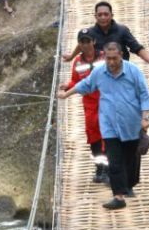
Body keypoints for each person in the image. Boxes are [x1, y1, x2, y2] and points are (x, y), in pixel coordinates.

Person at [57, 42, 149, 210]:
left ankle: (128, 185)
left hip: (131, 123)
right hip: (109, 124)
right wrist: (66, 94)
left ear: (121, 55)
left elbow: (144, 94)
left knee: (130, 158)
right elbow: (85, 85)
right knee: (114, 160)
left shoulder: (133, 71)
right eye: (108, 58)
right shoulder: (100, 72)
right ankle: (118, 197)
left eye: (115, 58)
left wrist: (145, 117)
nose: (111, 62)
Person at [59, 29, 108, 184]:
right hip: (90, 104)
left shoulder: (104, 56)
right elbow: (75, 81)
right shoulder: (78, 62)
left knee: (106, 134)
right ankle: (99, 167)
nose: (86, 44)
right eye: (82, 42)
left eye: (88, 41)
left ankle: (107, 169)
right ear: (79, 44)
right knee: (93, 136)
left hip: (107, 101)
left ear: (93, 41)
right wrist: (67, 85)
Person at [62, 1, 149, 67]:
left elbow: (137, 48)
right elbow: (82, 45)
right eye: (100, 15)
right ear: (95, 16)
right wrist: (71, 57)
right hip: (99, 75)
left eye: (106, 14)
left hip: (121, 73)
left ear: (112, 15)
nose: (103, 17)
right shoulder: (90, 33)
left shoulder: (122, 30)